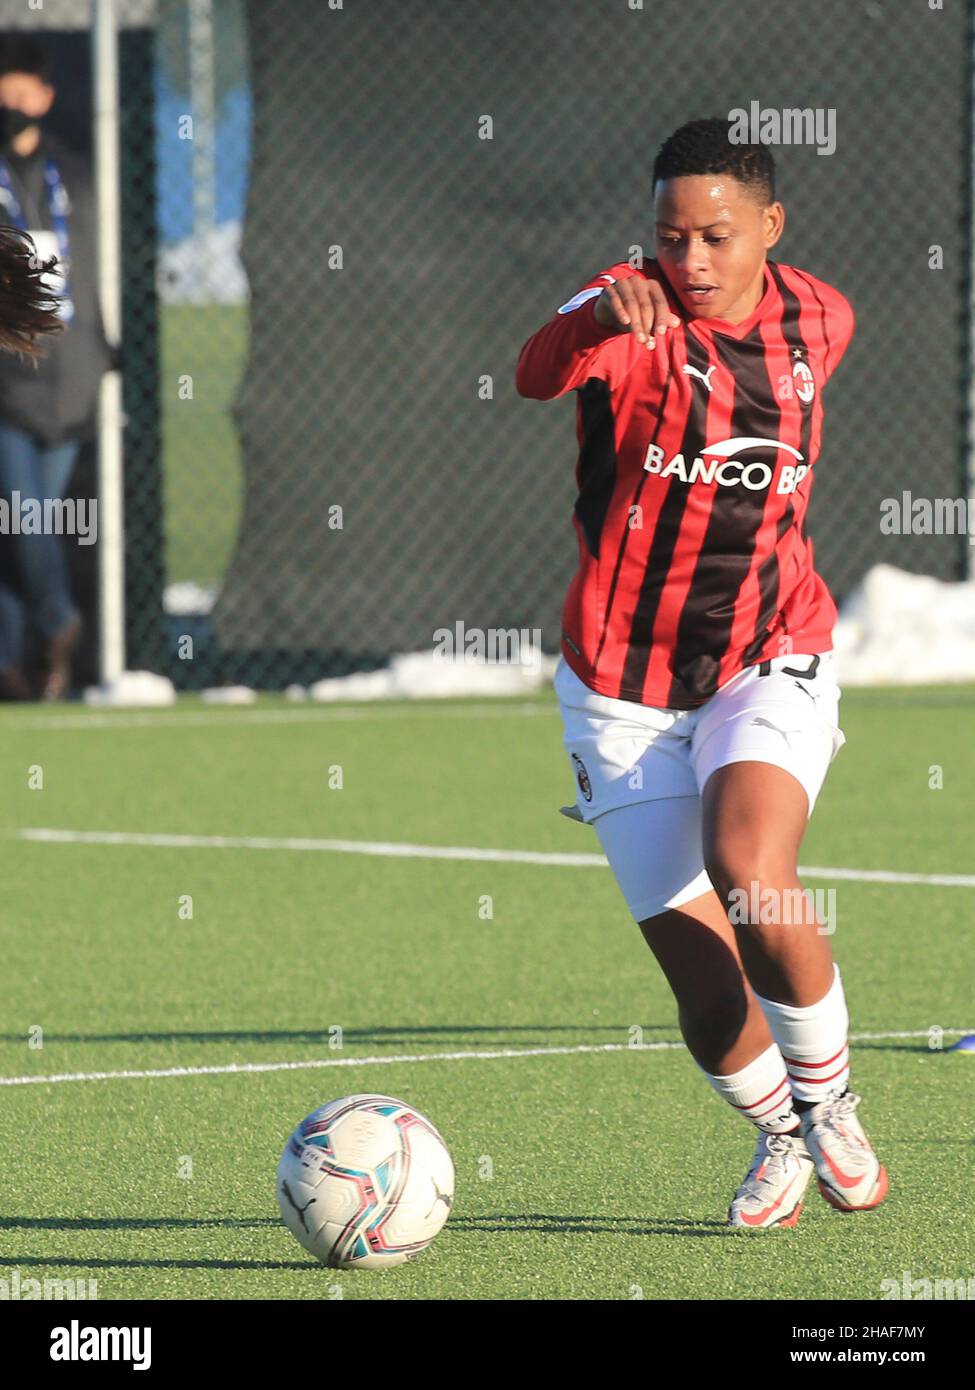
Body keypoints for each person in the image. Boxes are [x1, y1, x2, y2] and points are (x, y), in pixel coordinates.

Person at [515, 117, 887, 1228]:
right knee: (702, 977)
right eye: (671, 237)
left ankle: (832, 1105)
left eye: (718, 237)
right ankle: (778, 1132)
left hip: (767, 653)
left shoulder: (824, 317)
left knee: (749, 861)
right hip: (620, 690)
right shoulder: (626, 312)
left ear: (771, 227)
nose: (692, 261)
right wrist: (596, 310)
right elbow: (535, 373)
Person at [0, 35, 113, 700]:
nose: (16, 103)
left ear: (45, 97)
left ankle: (26, 660)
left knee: (28, 527)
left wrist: (100, 350)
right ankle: (55, 623)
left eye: (25, 91)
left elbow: (94, 268)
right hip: (7, 384)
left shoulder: (73, 176)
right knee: (24, 517)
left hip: (68, 380)